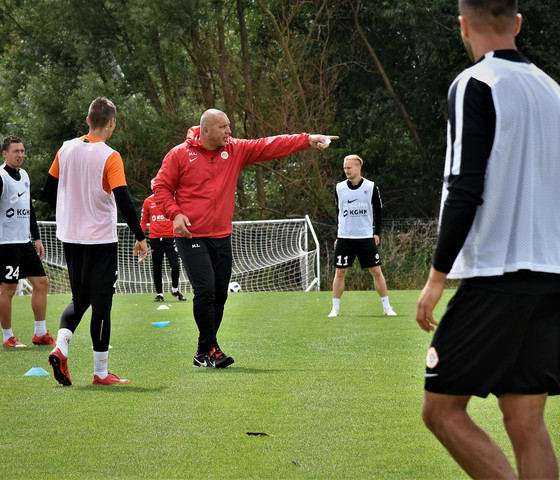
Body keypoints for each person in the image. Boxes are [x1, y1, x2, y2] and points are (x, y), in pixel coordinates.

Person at [416, 1, 560, 478]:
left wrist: (437, 276)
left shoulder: (475, 82)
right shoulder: (552, 90)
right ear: (517, 22)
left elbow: (464, 187)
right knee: (525, 419)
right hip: (550, 276)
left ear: (463, 25)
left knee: (440, 411)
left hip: (498, 274)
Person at [154, 108, 337, 369]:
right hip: (191, 235)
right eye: (223, 127)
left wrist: (306, 139)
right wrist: (175, 214)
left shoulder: (235, 149)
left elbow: (269, 145)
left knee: (220, 295)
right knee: (205, 290)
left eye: (229, 126)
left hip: (222, 236)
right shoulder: (179, 154)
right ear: (206, 130)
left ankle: (203, 350)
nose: (229, 131)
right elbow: (160, 187)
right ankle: (212, 349)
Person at [43, 97, 148, 386]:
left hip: (70, 237)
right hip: (100, 239)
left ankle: (61, 347)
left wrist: (68, 213)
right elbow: (124, 201)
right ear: (112, 122)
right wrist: (141, 237)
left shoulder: (65, 148)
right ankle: (101, 373)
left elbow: (48, 189)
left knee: (80, 298)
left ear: (88, 120)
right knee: (101, 303)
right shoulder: (109, 156)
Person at [0, 135, 55, 348]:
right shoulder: (1, 177)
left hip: (24, 242)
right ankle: (8, 337)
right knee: (9, 289)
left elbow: (29, 208)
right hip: (6, 243)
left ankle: (40, 333)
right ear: (5, 153)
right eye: (16, 151)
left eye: (22, 151)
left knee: (41, 282)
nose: (21, 155)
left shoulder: (24, 175)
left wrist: (37, 237)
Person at [328, 154, 396, 318]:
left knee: (376, 271)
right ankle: (335, 308)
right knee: (340, 272)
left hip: (365, 237)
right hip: (345, 238)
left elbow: (378, 212)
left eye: (349, 167)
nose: (346, 171)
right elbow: (339, 213)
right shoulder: (339, 188)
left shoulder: (371, 187)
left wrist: (377, 233)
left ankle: (387, 307)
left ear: (359, 167)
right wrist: (338, 235)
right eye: (345, 168)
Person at [141, 178, 186, 302]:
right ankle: (159, 294)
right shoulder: (148, 201)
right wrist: (140, 237)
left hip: (171, 238)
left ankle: (175, 289)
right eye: (153, 185)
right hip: (155, 238)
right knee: (157, 267)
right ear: (151, 187)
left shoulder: (171, 200)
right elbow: (144, 220)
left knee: (175, 265)